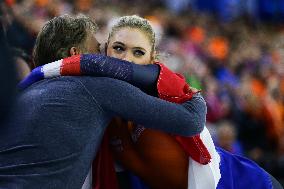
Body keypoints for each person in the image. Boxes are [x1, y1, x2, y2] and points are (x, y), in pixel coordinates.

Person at [31, 15, 283, 189]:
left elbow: (194, 119)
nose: (126, 59)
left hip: (243, 181)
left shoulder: (164, 87)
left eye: (137, 52)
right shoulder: (102, 104)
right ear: (105, 51)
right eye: (117, 48)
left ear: (152, 60)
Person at [1, 14, 207, 189]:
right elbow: (192, 121)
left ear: (152, 57)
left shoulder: (26, 93)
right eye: (99, 51)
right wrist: (191, 92)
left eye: (137, 52)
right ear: (77, 55)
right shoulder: (98, 89)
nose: (109, 62)